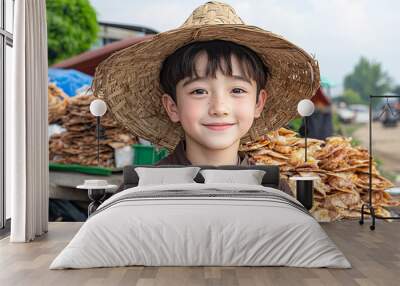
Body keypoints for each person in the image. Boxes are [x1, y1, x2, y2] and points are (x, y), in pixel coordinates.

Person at [92, 1, 320, 196]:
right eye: (199, 91)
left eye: (237, 90)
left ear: (258, 103)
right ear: (172, 107)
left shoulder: (274, 192)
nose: (219, 108)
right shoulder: (139, 190)